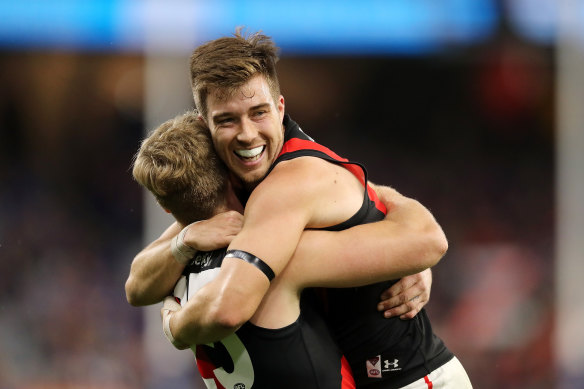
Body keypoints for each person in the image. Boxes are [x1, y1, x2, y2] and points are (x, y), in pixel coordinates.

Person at [127, 29, 472, 388]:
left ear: (279, 108)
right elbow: (137, 285)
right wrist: (184, 239)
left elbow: (227, 309)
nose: (247, 134)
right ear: (205, 124)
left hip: (412, 379)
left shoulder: (287, 186)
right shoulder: (237, 180)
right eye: (228, 120)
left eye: (258, 113)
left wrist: (173, 325)